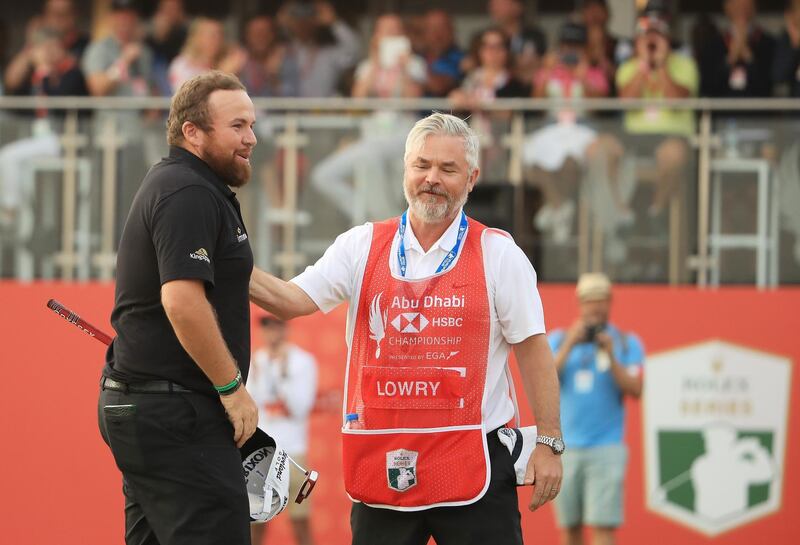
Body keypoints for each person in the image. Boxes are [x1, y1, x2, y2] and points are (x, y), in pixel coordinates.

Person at [249, 112, 564, 545]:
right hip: (384, 465)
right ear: (405, 170)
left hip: (474, 466)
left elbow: (533, 349)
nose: (431, 178)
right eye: (422, 165)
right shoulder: (360, 245)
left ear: (472, 178)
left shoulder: (498, 253)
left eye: (447, 169)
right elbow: (290, 300)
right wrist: (226, 257)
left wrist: (549, 441)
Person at [98, 71, 259, 545]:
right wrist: (231, 389)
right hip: (177, 414)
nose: (251, 138)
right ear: (193, 132)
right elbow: (182, 300)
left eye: (252, 124)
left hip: (149, 408)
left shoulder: (184, 184)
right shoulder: (188, 191)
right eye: (237, 126)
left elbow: (232, 273)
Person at [547, 273, 643, 545]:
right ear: (579, 303)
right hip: (565, 450)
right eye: (589, 301)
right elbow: (545, 381)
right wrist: (569, 345)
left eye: (601, 300)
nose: (595, 307)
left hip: (607, 448)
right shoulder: (559, 339)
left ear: (610, 302)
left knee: (603, 527)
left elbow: (635, 389)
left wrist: (611, 355)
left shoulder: (625, 342)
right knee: (570, 528)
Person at [310, 13, 426, 224]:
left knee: (369, 156)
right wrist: (375, 61)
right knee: (324, 175)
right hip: (371, 136)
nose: (390, 36)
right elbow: (358, 102)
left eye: (395, 31)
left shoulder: (414, 64)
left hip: (403, 136)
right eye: (385, 31)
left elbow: (413, 101)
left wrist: (403, 67)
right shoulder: (367, 66)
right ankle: (373, 218)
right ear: (376, 36)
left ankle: (381, 222)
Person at [523, 21, 609, 244]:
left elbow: (598, 108)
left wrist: (582, 76)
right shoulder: (549, 70)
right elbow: (536, 105)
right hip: (552, 129)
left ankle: (558, 208)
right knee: (532, 158)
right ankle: (559, 205)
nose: (570, 51)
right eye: (566, 45)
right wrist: (547, 70)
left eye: (576, 46)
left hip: (582, 129)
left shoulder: (593, 71)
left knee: (570, 163)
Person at [0, 27, 88, 229]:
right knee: (17, 164)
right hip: (39, 139)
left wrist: (44, 72)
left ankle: (10, 212)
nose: (48, 53)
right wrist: (28, 60)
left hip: (65, 139)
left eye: (52, 47)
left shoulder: (72, 72)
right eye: (44, 48)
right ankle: (21, 221)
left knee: (7, 156)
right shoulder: (37, 74)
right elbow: (13, 89)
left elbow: (56, 103)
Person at [248, 314, 318, 545]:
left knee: (300, 522)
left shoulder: (302, 361)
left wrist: (282, 372)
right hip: (263, 453)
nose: (271, 334)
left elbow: (300, 407)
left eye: (276, 327)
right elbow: (251, 406)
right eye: (266, 328)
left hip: (293, 452)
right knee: (255, 523)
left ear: (284, 328)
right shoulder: (256, 361)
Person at [694, 0, 775, 98]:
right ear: (727, 8)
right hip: (723, 110)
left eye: (746, 5)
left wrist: (748, 55)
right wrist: (731, 58)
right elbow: (708, 87)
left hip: (758, 111)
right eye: (737, 4)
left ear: (754, 8)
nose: (742, 9)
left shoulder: (768, 43)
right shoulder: (713, 45)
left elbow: (767, 87)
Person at [279, 0, 360, 97]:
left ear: (315, 23)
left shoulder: (327, 53)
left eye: (307, 21)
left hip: (322, 110)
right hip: (289, 110)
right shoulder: (283, 51)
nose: (303, 25)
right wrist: (282, 19)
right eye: (299, 21)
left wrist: (334, 23)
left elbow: (353, 52)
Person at [168, 17, 246, 92]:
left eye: (220, 35)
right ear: (196, 38)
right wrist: (223, 73)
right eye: (211, 35)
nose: (217, 40)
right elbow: (187, 97)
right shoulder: (181, 64)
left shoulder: (227, 60)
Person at [487, 0, 547, 86]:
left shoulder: (535, 35)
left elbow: (542, 63)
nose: (495, 8)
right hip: (496, 91)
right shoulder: (487, 36)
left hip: (528, 89)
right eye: (493, 4)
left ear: (518, 7)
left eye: (502, 4)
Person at [238, 14, 299, 97]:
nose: (260, 38)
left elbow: (293, 99)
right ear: (247, 36)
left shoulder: (285, 60)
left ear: (273, 35)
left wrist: (274, 77)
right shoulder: (238, 61)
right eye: (255, 33)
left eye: (264, 33)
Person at [145, 0, 189, 96]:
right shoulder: (150, 37)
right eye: (167, 9)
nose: (170, 13)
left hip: (178, 79)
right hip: (156, 79)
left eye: (174, 9)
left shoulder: (186, 34)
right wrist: (159, 37)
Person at [419, 10, 464, 97]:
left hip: (444, 110)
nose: (437, 35)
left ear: (452, 31)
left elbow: (438, 87)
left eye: (442, 28)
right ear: (423, 32)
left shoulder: (460, 58)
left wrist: (412, 66)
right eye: (431, 28)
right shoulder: (418, 57)